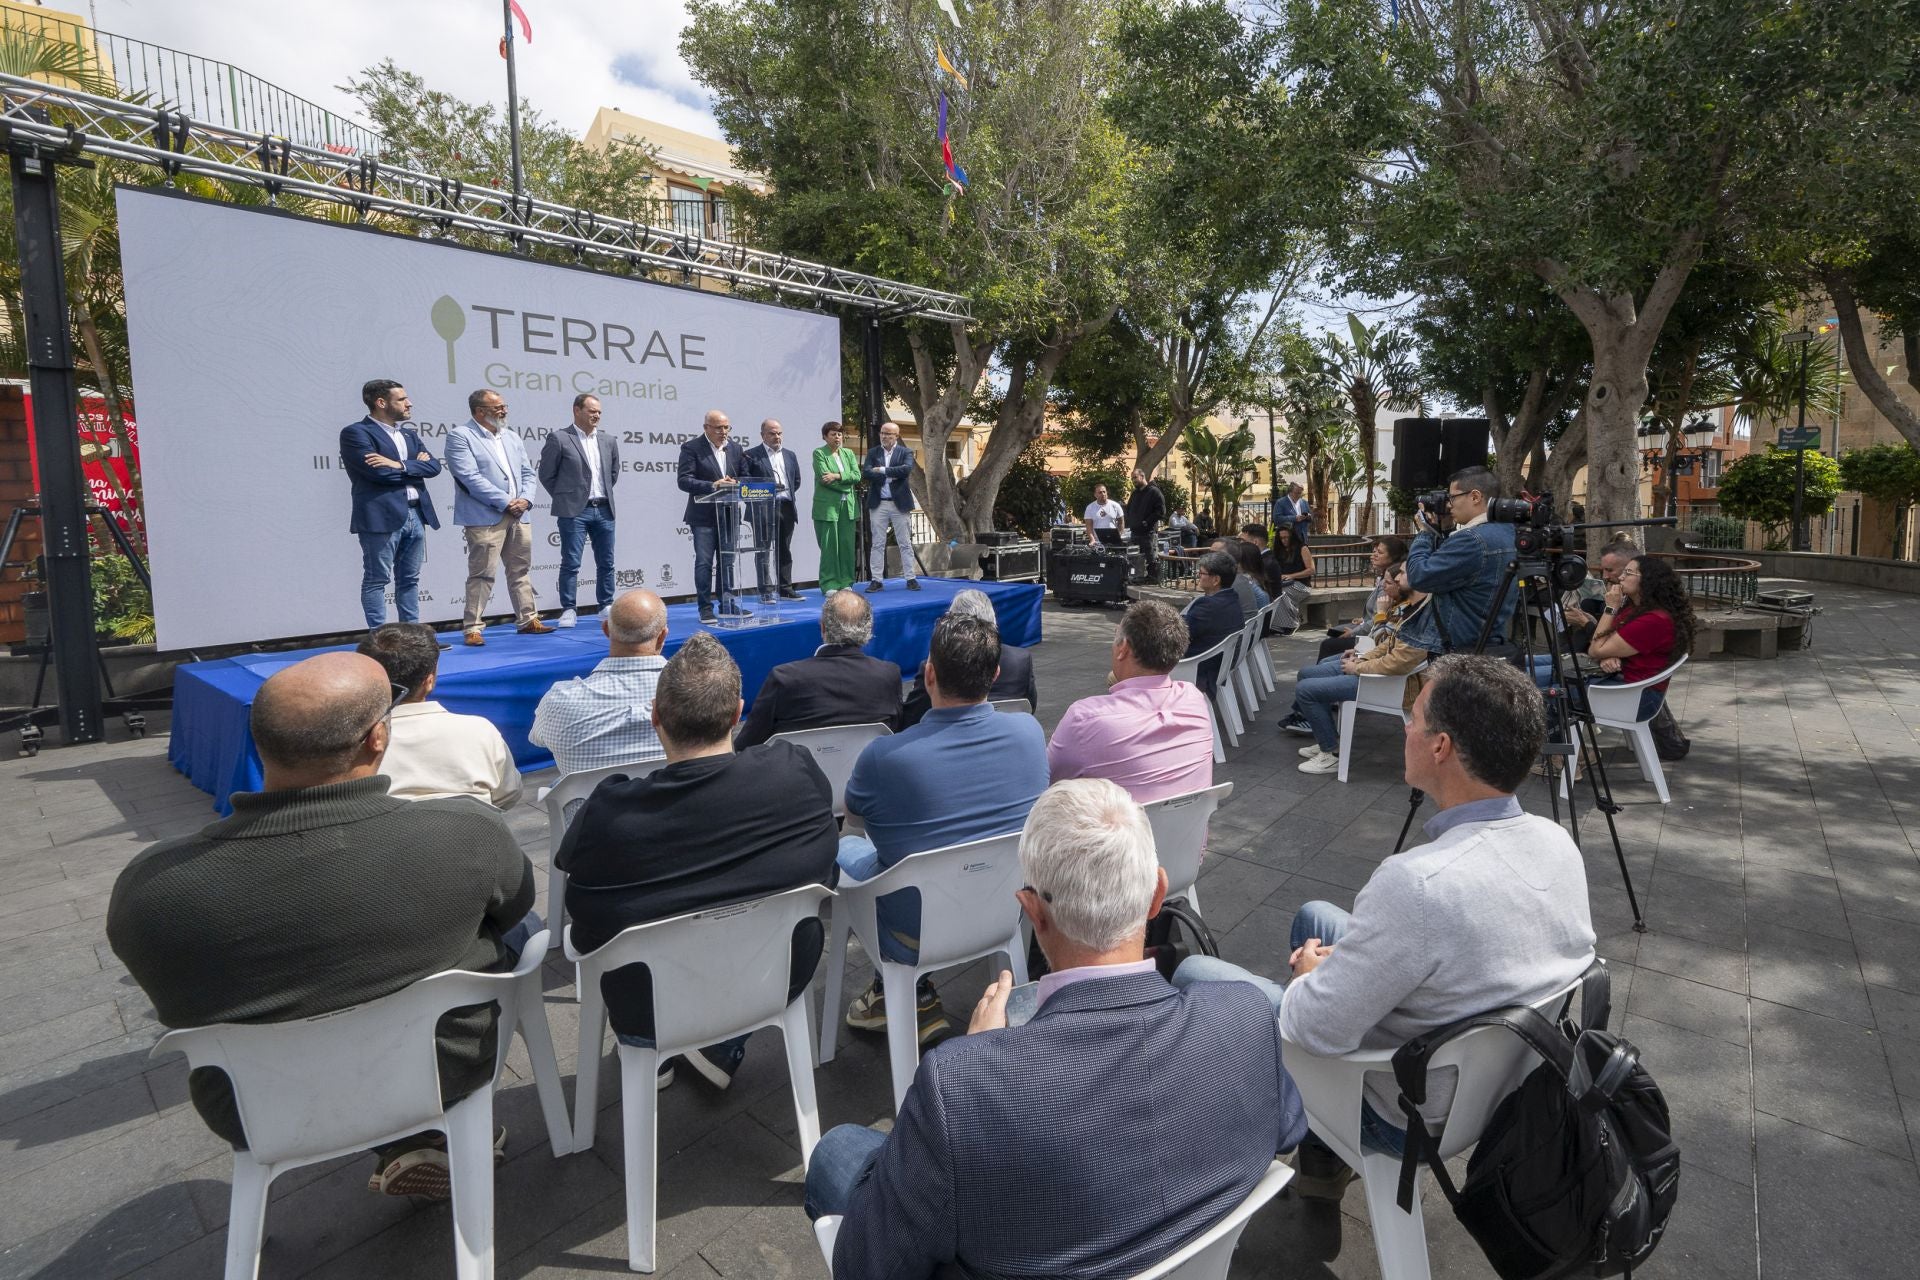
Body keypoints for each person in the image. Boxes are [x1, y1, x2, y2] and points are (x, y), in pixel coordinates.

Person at [809, 779, 1306, 1278]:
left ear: (1032, 912)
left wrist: (981, 1061)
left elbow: (863, 1266)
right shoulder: (1242, 1015)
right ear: (1157, 893)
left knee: (837, 1152)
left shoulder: (959, 1085)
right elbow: (1288, 1126)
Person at [106, 652, 535, 1199]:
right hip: (443, 1068)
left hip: (252, 1105)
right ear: (379, 739)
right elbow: (515, 909)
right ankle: (420, 1132)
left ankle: (403, 1139)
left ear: (258, 739)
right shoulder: (465, 833)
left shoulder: (150, 888)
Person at [1175, 655, 1594, 1197]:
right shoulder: (1557, 842)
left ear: (1441, 747)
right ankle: (1323, 1163)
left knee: (1194, 972)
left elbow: (1314, 1028)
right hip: (1506, 1079)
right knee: (1317, 917)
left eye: (1413, 719)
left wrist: (1306, 977)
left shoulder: (1418, 883)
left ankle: (1221, 1148)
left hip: (1408, 1111)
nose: (1405, 729)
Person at [558, 633, 839, 1089]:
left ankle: (708, 1043)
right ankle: (721, 1042)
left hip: (648, 1008)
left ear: (655, 718)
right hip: (780, 975)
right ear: (737, 713)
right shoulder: (795, 770)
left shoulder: (610, 813)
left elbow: (584, 917)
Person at [837, 614, 1048, 1041]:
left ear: (929, 674)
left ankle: (904, 992)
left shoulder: (886, 757)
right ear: (995, 674)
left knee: (845, 847)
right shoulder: (1029, 732)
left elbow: (854, 814)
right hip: (1004, 910)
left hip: (912, 930)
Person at [1047, 600, 1214, 803]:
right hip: (1187, 833)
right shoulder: (1194, 699)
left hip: (1121, 833)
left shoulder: (1085, 718)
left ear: (1123, 648)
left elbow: (1047, 781)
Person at [357, 623, 522, 807]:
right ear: (430, 680)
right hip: (476, 832)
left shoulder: (350, 746)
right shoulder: (480, 731)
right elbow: (508, 794)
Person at [1288, 564, 1431, 775]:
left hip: (1389, 684)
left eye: (1402, 573)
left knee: (1306, 690)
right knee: (1307, 674)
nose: (1396, 579)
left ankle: (1331, 754)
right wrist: (1362, 656)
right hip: (1379, 674)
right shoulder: (1413, 608)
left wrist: (1359, 667)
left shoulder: (1423, 615)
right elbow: (1387, 644)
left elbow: (1397, 661)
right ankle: (1325, 738)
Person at [444, 389, 552, 645]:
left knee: (520, 570)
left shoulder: (512, 437)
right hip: (485, 517)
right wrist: (506, 502)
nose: (504, 411)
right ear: (480, 411)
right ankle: (473, 628)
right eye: (498, 408)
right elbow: (468, 477)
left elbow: (527, 473)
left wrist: (525, 500)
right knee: (482, 574)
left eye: (505, 406)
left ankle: (528, 620)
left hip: (519, 516)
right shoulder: (461, 436)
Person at [734, 590, 904, 748]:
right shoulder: (888, 675)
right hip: (865, 775)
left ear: (822, 628)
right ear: (869, 630)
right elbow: (897, 732)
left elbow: (747, 743)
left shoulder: (785, 678)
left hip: (799, 777)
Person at [531, 589, 669, 776]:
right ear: (663, 636)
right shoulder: (697, 698)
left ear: (606, 630)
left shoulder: (560, 701)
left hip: (587, 804)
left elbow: (538, 739)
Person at [340, 379, 441, 632]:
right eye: (402, 399)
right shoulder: (356, 433)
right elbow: (378, 474)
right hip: (380, 516)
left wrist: (399, 465)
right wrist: (414, 467)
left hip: (416, 514)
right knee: (377, 579)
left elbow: (435, 467)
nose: (409, 403)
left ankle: (414, 640)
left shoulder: (409, 434)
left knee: (409, 580)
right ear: (381, 402)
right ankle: (379, 640)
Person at [1405, 465, 1519, 652]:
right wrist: (1445, 530)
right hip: (1487, 639)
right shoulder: (1506, 531)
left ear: (1475, 496)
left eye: (1453, 497)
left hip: (1461, 647)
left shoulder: (1471, 540)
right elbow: (1454, 570)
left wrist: (1425, 533)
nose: (1449, 505)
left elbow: (1419, 576)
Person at [538, 393, 621, 629]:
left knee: (607, 562)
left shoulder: (608, 440)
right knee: (571, 562)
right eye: (591, 411)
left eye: (599, 412)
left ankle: (605, 604)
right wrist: (567, 497)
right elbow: (547, 474)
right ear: (577, 410)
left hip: (604, 508)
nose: (596, 415)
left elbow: (612, 473)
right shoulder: (560, 438)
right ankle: (569, 609)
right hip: (574, 511)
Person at [898, 589, 1037, 727]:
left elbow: (911, 719)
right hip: (1006, 736)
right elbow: (1029, 707)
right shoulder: (1021, 660)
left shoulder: (936, 665)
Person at [1583, 554, 1695, 721]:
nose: (1621, 577)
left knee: (1549, 690)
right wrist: (1609, 654)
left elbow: (1595, 649)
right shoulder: (1635, 608)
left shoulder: (1654, 620)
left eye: (1628, 573)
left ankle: (1556, 747)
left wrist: (1610, 607)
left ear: (1647, 580)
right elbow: (1605, 643)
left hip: (1636, 696)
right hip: (1619, 681)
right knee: (1538, 667)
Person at [676, 408, 753, 623]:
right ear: (706, 428)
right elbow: (684, 480)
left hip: (729, 514)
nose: (723, 431)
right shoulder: (692, 448)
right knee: (704, 562)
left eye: (726, 427)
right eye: (718, 427)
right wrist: (714, 485)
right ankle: (705, 608)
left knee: (727, 561)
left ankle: (727, 603)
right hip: (703, 517)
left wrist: (737, 483)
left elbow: (746, 477)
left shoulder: (736, 449)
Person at [1318, 535, 1409, 660]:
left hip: (1371, 636)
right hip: (1370, 628)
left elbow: (1383, 620)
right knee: (1333, 632)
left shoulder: (1390, 583)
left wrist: (1353, 633)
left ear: (1393, 557)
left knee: (1329, 644)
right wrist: (1363, 620)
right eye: (1374, 551)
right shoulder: (1383, 577)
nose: (1374, 555)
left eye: (1380, 552)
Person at [743, 417, 803, 602]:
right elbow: (745, 483)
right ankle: (766, 591)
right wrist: (768, 489)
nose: (777, 436)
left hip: (785, 507)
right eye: (772, 433)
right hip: (762, 508)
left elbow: (796, 481)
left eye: (779, 433)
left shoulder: (790, 455)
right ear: (763, 435)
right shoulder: (751, 455)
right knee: (763, 551)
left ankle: (785, 588)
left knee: (784, 549)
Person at [1181, 549, 1246, 698]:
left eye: (1202, 573)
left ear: (1216, 580)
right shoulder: (1232, 598)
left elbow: (1179, 633)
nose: (1198, 577)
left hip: (1198, 667)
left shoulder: (1207, 606)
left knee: (1143, 655)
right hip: (1218, 664)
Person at [863, 421, 920, 591]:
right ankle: (877, 580)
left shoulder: (905, 452)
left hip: (899, 504)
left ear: (897, 436)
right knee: (877, 543)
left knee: (904, 542)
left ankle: (910, 578)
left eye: (889, 434)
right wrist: (891, 473)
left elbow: (906, 470)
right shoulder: (873, 452)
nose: (884, 436)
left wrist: (881, 470)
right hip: (879, 503)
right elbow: (866, 472)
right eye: (882, 433)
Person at [812, 421, 862, 593]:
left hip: (848, 507)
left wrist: (837, 476)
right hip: (827, 508)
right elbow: (824, 479)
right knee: (829, 546)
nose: (837, 437)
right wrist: (846, 482)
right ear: (825, 437)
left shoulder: (848, 453)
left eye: (839, 434)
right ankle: (829, 583)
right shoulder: (819, 453)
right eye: (833, 434)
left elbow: (857, 475)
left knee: (847, 545)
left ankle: (846, 582)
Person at [1268, 523, 1316, 634]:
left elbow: (1311, 570)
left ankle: (1291, 624)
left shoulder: (1302, 548)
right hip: (1284, 583)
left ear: (1292, 536)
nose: (1284, 540)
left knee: (1281, 593)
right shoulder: (1279, 550)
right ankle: (1277, 625)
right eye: (1281, 538)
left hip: (1301, 584)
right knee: (1271, 591)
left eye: (1286, 537)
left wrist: (1292, 576)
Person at [1125, 467, 1166, 579]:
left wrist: (1146, 522)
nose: (1134, 481)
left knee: (1151, 558)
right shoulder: (1135, 494)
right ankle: (1137, 578)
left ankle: (1152, 581)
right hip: (1134, 533)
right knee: (1134, 558)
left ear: (1142, 476)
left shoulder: (1154, 492)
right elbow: (1129, 509)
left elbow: (1160, 512)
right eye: (1132, 479)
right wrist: (1131, 522)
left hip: (1148, 533)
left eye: (1135, 478)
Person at [1082, 481, 1125, 547]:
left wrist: (1119, 536)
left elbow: (1121, 522)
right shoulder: (1090, 508)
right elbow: (1089, 527)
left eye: (1104, 492)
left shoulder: (1115, 505)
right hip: (1097, 543)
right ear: (1095, 495)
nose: (1103, 494)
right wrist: (1092, 540)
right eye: (1100, 492)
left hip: (1114, 542)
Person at [1275, 481, 1311, 546]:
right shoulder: (1280, 502)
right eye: (1296, 493)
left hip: (1303, 539)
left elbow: (1311, 518)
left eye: (1300, 493)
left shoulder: (1304, 503)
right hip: (1288, 539)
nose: (1299, 495)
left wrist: (1308, 517)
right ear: (1290, 492)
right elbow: (1277, 519)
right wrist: (1295, 518)